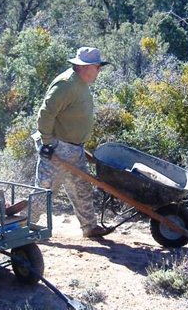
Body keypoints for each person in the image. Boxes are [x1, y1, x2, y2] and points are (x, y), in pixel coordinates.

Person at [32, 47, 114, 238]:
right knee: (45, 190)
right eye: (97, 67)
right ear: (85, 67)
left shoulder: (81, 83)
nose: (99, 71)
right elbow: (46, 113)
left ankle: (89, 227)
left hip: (74, 148)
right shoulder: (66, 84)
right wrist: (47, 142)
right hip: (57, 147)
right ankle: (23, 228)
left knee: (82, 188)